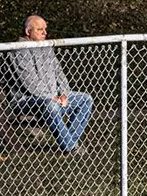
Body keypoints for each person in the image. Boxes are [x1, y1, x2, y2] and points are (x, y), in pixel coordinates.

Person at [11, 14, 94, 153]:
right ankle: (70, 147)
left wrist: (64, 94)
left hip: (53, 97)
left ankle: (69, 142)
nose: (45, 33)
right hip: (26, 100)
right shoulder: (19, 50)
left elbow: (59, 73)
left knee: (85, 100)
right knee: (51, 105)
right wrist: (51, 97)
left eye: (45, 29)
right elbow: (30, 81)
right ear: (28, 32)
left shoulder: (46, 46)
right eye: (39, 29)